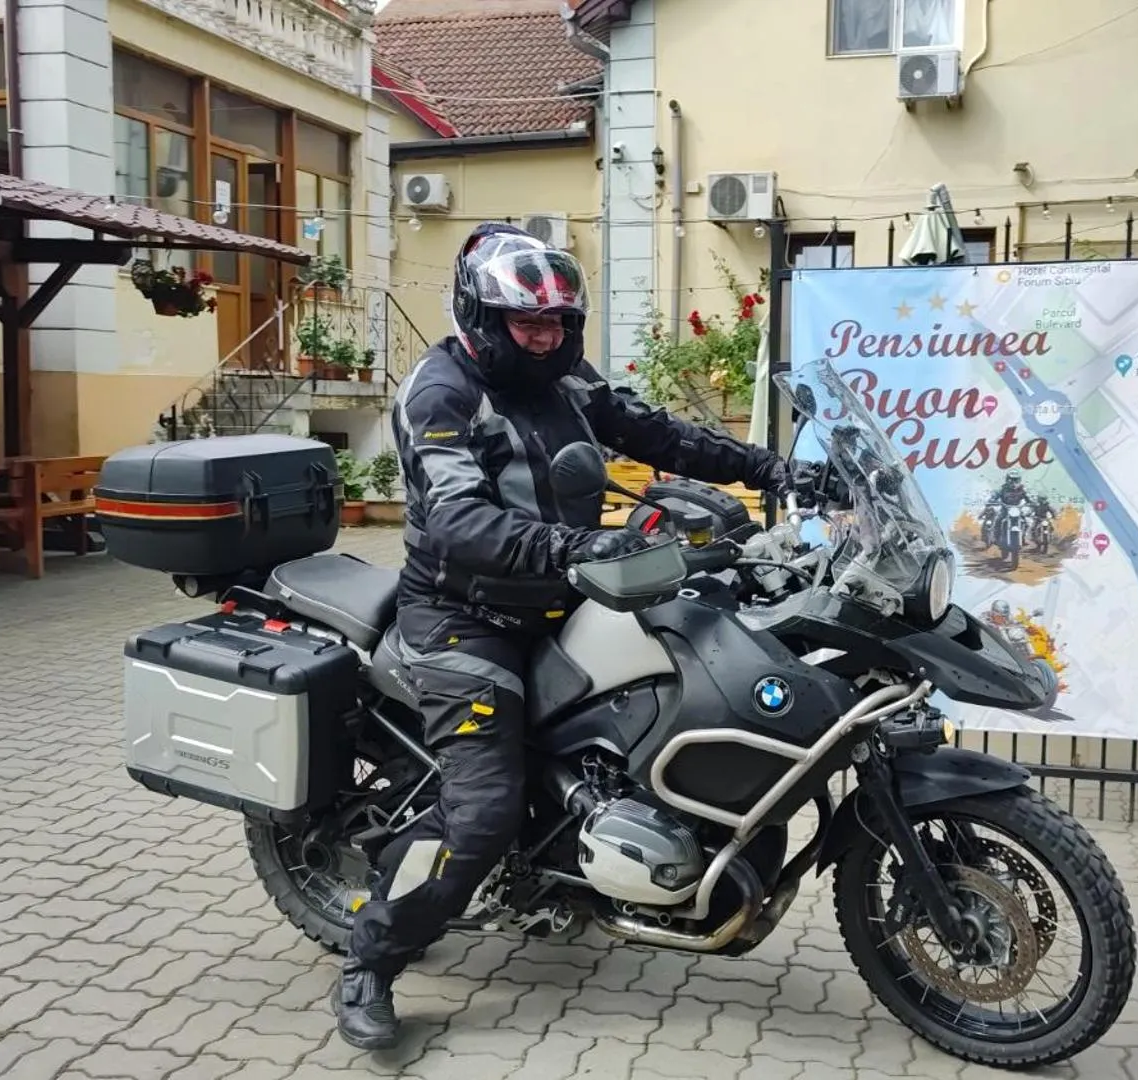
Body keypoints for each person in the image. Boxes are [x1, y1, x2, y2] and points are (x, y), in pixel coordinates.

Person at [331, 224, 810, 1050]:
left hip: (567, 593)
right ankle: (371, 961)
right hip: (463, 618)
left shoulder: (565, 380)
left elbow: (654, 430)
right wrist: (577, 545)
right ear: (483, 318)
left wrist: (766, 467)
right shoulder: (440, 394)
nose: (547, 339)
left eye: (558, 325)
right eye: (529, 325)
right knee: (480, 810)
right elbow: (456, 520)